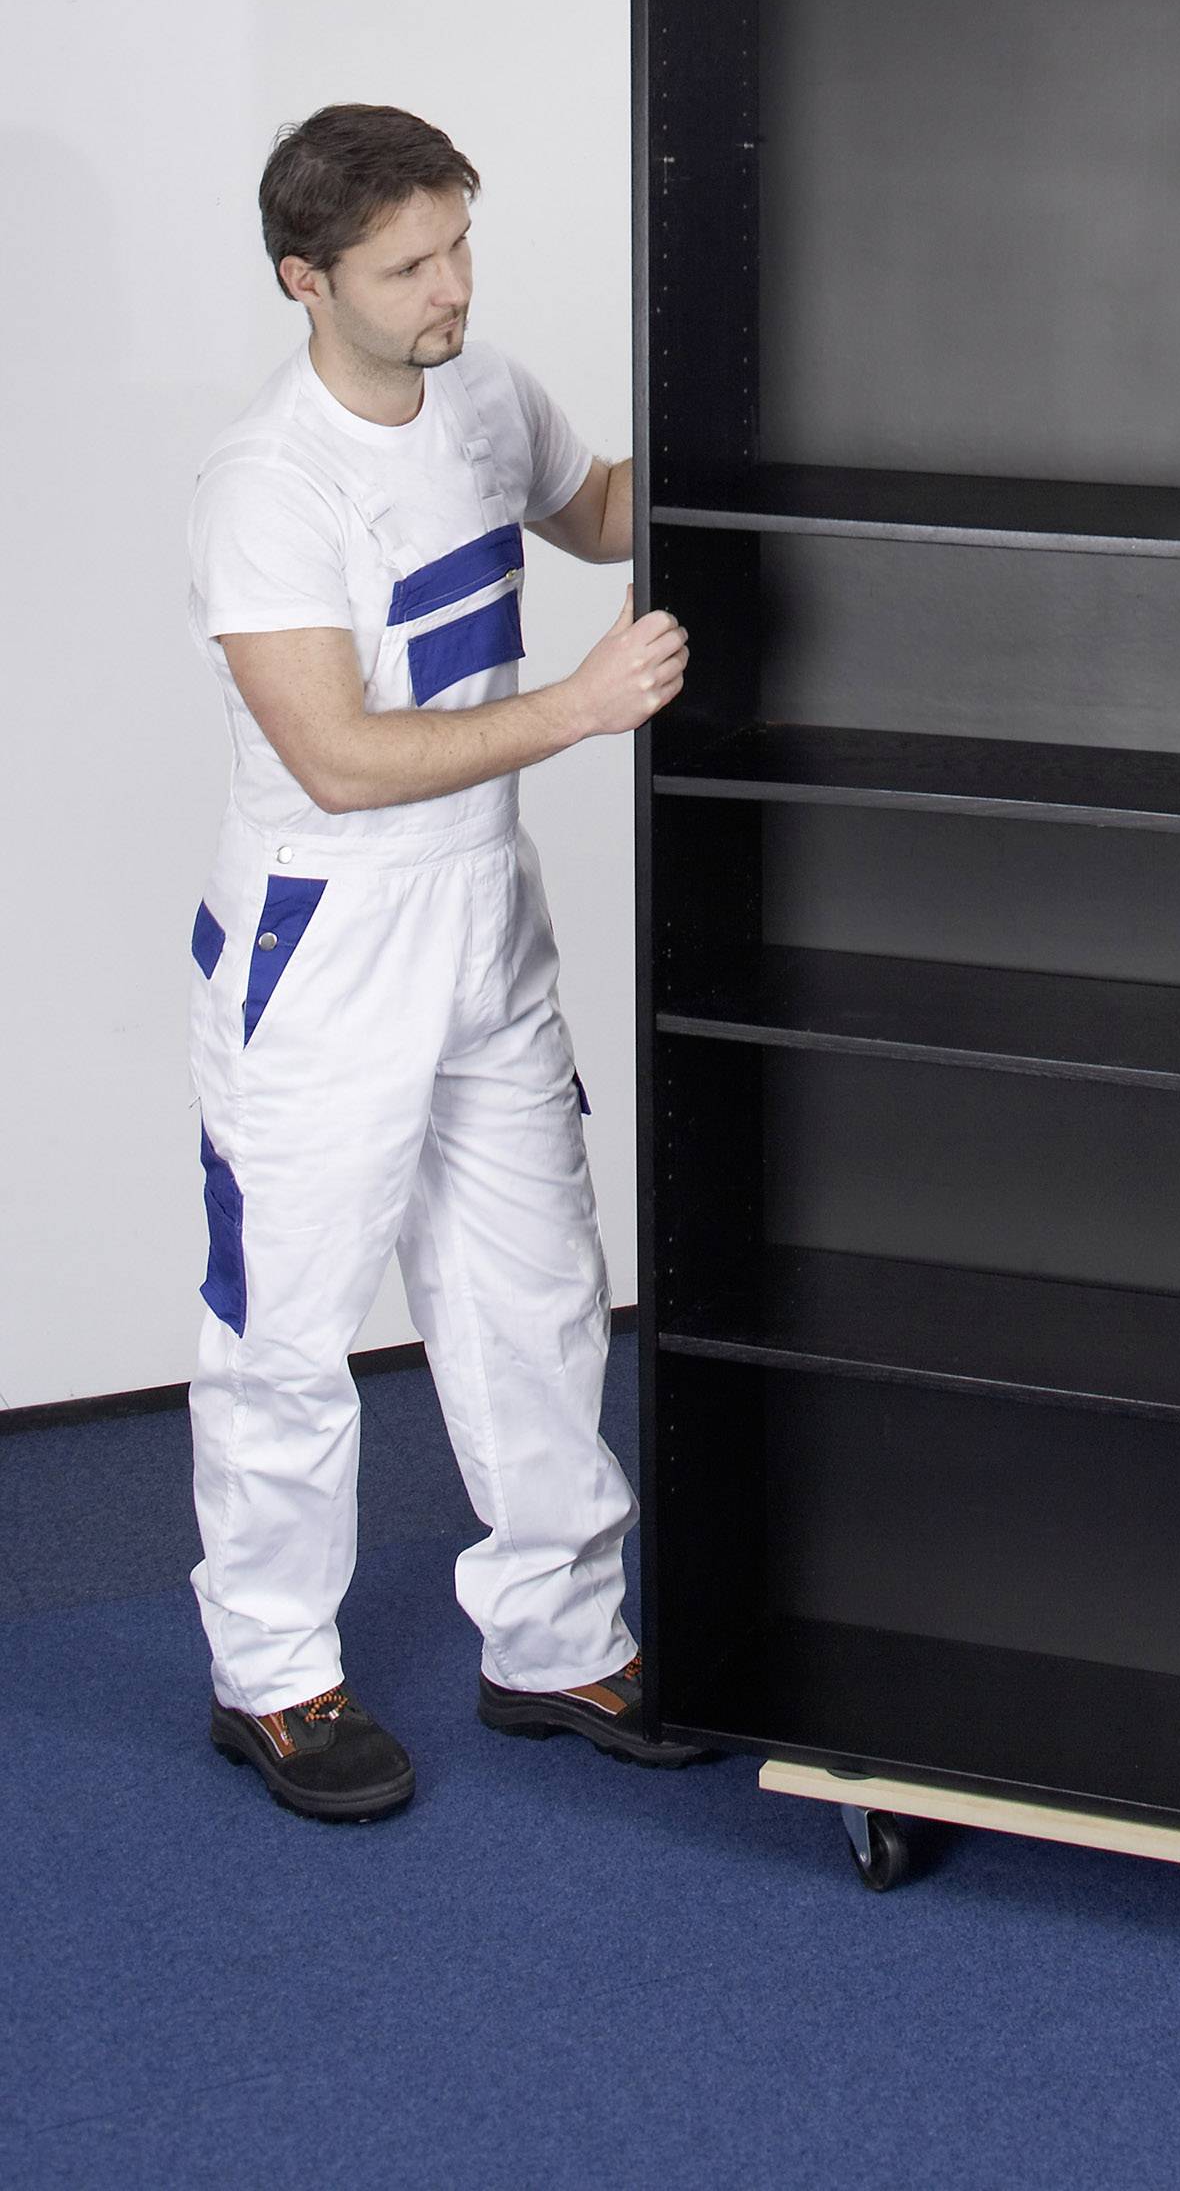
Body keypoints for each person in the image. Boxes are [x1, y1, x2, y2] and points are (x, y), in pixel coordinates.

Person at [186, 102, 696, 1821]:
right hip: (328, 932)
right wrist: (579, 707)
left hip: (484, 910)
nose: (452, 289)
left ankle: (553, 1641)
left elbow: (607, 507)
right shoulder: (268, 483)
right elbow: (333, 753)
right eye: (409, 266)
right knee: (293, 1328)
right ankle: (273, 1676)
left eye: (460, 243)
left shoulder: (482, 390)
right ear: (303, 281)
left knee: (536, 1291)